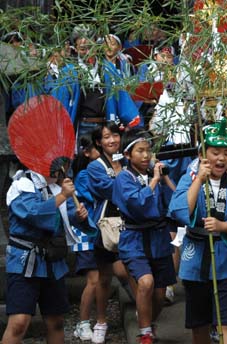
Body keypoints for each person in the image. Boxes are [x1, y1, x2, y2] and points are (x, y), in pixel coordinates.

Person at [168, 118, 227, 344]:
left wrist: (223, 226)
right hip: (196, 259)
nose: (222, 158)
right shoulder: (189, 179)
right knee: (199, 323)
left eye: (226, 153)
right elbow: (179, 210)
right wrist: (199, 181)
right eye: (215, 152)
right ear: (202, 155)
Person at [2, 166, 93, 343]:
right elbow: (33, 213)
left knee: (56, 322)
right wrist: (62, 196)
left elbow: (62, 219)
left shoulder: (56, 188)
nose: (57, 169)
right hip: (24, 260)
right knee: (19, 322)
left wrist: (77, 216)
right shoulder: (22, 185)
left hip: (53, 262)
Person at [112, 127, 177, 343]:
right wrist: (154, 181)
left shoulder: (154, 173)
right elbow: (137, 203)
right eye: (140, 151)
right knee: (146, 282)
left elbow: (176, 201)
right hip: (134, 238)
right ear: (128, 154)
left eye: (148, 150)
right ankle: (145, 333)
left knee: (159, 296)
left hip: (158, 237)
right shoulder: (124, 177)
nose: (145, 155)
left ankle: (147, 321)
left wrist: (164, 178)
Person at [87, 122, 137, 343]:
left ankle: (143, 312)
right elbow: (111, 189)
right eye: (106, 137)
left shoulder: (129, 160)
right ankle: (100, 321)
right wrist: (119, 175)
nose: (112, 140)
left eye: (115, 135)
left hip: (130, 223)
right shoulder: (95, 167)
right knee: (104, 277)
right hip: (106, 226)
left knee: (134, 270)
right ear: (99, 142)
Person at [71, 136, 101, 341]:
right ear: (86, 153)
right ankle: (82, 323)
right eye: (96, 146)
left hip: (100, 230)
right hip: (86, 232)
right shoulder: (83, 175)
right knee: (93, 280)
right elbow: (98, 194)